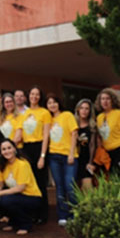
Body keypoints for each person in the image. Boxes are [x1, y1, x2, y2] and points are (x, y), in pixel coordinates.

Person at [0, 139, 42, 235]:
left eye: (9, 148)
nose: (7, 151)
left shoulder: (22, 164)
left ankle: (26, 224)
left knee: (6, 200)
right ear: (0, 152)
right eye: (4, 149)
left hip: (31, 197)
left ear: (15, 149)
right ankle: (13, 222)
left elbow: (20, 188)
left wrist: (0, 193)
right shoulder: (2, 165)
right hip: (16, 196)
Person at [41, 94, 78, 226]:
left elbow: (74, 134)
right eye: (49, 103)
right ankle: (63, 215)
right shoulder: (48, 119)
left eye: (54, 102)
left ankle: (75, 214)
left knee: (70, 186)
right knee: (59, 187)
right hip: (54, 157)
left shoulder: (67, 115)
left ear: (59, 103)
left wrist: (71, 153)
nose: (52, 105)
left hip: (68, 156)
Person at [20, 86, 51, 223]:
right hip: (26, 149)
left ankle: (42, 214)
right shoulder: (24, 114)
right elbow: (20, 134)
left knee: (40, 182)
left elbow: (46, 136)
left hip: (39, 147)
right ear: (28, 96)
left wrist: (42, 156)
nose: (34, 96)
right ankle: (31, 212)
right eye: (32, 94)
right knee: (29, 182)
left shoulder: (44, 113)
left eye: (37, 94)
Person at [95, 88, 120, 174]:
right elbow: (99, 136)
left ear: (113, 100)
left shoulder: (119, 114)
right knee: (110, 178)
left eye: (108, 98)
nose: (105, 101)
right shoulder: (99, 117)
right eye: (102, 99)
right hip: (107, 153)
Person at [76, 99, 96, 190]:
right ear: (78, 110)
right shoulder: (73, 124)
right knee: (74, 188)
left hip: (86, 160)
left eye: (87, 109)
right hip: (74, 159)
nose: (84, 111)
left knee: (87, 188)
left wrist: (91, 162)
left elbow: (92, 145)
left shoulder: (92, 126)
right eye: (82, 108)